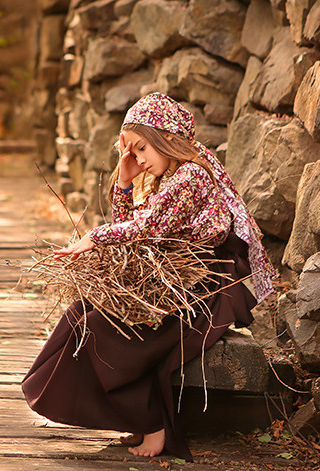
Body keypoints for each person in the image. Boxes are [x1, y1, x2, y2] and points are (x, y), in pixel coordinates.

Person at [21, 92, 278, 460]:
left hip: (199, 293)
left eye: (142, 149)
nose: (139, 158)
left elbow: (148, 228)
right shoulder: (175, 175)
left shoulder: (191, 177)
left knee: (102, 329)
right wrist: (125, 182)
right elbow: (127, 228)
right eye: (133, 152)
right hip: (176, 285)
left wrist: (94, 237)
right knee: (80, 315)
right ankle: (136, 419)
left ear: (165, 137)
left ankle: (154, 424)